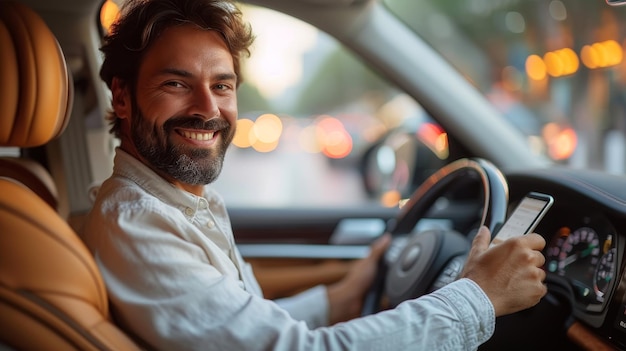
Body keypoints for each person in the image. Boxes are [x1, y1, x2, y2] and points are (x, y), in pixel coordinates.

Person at [80, 0, 548, 349]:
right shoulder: (137, 221)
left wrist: (341, 297)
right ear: (122, 97)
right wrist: (477, 298)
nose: (208, 110)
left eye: (221, 86)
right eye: (177, 84)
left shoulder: (179, 202)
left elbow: (249, 325)